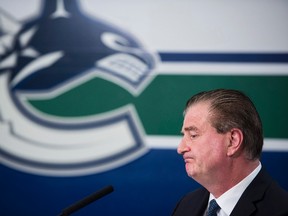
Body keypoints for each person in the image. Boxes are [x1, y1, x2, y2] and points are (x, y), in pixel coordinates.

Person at [172, 89, 288, 216]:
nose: (180, 148)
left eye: (193, 135)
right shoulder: (186, 205)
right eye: (184, 135)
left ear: (233, 141)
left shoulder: (281, 210)